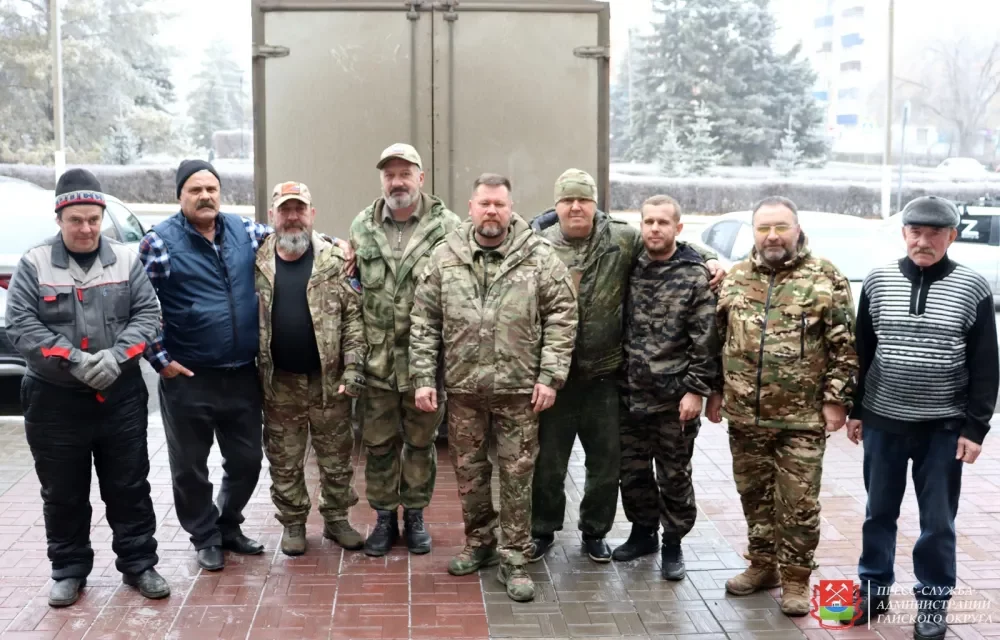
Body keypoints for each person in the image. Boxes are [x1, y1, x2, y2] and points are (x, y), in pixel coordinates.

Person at [527, 172, 725, 564]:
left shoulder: (621, 239)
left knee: (610, 465)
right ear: (557, 205)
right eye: (567, 200)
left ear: (595, 204)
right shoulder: (538, 244)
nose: (576, 207)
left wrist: (710, 257)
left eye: (584, 199)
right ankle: (545, 529)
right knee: (551, 463)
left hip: (610, 378)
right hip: (560, 377)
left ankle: (600, 533)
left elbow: (672, 244)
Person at [409, 173, 578, 602]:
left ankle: (515, 557)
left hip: (519, 391)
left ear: (510, 208)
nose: (491, 211)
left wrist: (550, 376)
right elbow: (424, 320)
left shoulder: (537, 256)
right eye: (484, 203)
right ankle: (480, 543)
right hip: (464, 390)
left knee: (517, 476)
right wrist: (424, 378)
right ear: (470, 207)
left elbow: (562, 315)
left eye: (499, 204)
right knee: (469, 472)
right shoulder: (445, 256)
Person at [5, 169, 169, 607]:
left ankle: (139, 564)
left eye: (93, 219)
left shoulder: (126, 261)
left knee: (129, 485)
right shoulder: (34, 263)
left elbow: (148, 315)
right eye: (76, 220)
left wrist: (116, 357)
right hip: (54, 400)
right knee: (63, 491)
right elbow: (21, 325)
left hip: (121, 398)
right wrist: (74, 361)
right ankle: (68, 569)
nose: (86, 228)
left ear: (101, 217)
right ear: (59, 218)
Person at [845, 196, 999, 639]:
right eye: (916, 232)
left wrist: (975, 428)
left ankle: (932, 603)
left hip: (942, 429)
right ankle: (873, 590)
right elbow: (863, 350)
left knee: (937, 522)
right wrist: (857, 409)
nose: (923, 241)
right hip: (883, 422)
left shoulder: (972, 287)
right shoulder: (878, 281)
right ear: (904, 234)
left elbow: (986, 364)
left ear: (952, 236)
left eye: (934, 233)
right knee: (878, 513)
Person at [708, 195, 857, 616]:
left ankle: (796, 579)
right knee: (754, 495)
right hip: (744, 415)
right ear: (754, 232)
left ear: (797, 229)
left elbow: (845, 346)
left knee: (799, 503)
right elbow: (717, 342)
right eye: (763, 228)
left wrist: (836, 400)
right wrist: (716, 392)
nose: (772, 236)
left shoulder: (825, 277)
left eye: (780, 227)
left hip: (801, 418)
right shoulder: (735, 278)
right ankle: (763, 566)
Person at [349, 143, 461, 556]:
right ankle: (383, 518)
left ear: (421, 178)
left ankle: (414, 515)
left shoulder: (448, 227)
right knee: (378, 445)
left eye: (405, 173)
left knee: (419, 444)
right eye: (389, 175)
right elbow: (352, 286)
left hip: (424, 364)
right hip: (377, 362)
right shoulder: (362, 225)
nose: (397, 182)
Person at [256, 181, 368, 556]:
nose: (292, 217)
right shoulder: (256, 261)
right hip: (279, 384)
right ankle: (293, 523)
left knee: (336, 458)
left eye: (299, 209)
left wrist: (353, 369)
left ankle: (336, 520)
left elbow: (354, 320)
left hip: (328, 382)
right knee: (284, 460)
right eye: (285, 210)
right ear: (272, 215)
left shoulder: (335, 261)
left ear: (312, 214)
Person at [618, 195, 719, 581]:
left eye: (663, 222)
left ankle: (673, 541)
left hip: (674, 398)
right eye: (649, 222)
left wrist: (696, 391)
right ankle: (643, 533)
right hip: (630, 393)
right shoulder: (631, 265)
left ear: (678, 228)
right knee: (633, 471)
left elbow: (705, 340)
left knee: (674, 475)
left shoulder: (694, 275)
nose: (655, 228)